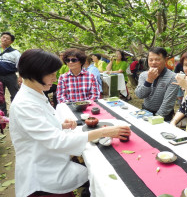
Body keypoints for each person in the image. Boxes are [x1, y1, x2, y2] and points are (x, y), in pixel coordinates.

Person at [9, 49, 131, 197]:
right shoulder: (25, 104)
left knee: (96, 173)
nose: (55, 79)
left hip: (52, 161)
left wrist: (60, 124)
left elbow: (39, 126)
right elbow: (57, 141)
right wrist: (105, 132)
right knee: (103, 176)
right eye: (52, 74)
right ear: (35, 73)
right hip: (43, 173)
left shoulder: (36, 92)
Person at [135, 47, 178, 121]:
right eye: (151, 60)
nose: (153, 62)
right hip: (145, 112)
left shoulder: (173, 77)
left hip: (164, 117)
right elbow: (139, 95)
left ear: (165, 60)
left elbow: (167, 104)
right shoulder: (143, 75)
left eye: (157, 59)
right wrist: (149, 80)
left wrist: (154, 119)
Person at [0, 32, 22, 115]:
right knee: (0, 96)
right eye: (3, 37)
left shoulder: (15, 53)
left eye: (7, 38)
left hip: (11, 76)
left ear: (11, 42)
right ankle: (2, 113)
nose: (4, 39)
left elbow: (20, 65)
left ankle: (15, 112)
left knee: (15, 94)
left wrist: (20, 77)